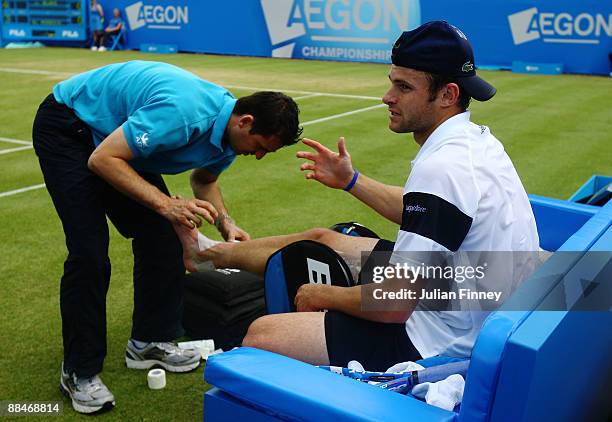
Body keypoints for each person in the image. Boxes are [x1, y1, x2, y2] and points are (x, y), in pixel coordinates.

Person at [188, 21, 539, 371]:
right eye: (392, 83)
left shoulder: (443, 166)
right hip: (471, 294)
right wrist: (350, 180)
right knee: (327, 240)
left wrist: (324, 295)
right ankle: (211, 255)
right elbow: (425, 215)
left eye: (403, 87)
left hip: (444, 338)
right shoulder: (475, 140)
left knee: (261, 335)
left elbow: (394, 305)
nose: (388, 97)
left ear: (448, 95)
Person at [31, 60, 302, 414]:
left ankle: (149, 342)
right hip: (70, 125)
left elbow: (204, 180)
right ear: (245, 121)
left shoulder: (230, 140)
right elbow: (102, 159)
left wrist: (226, 223)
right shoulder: (183, 113)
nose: (260, 155)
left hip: (113, 138)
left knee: (162, 238)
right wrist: (165, 204)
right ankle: (79, 371)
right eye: (261, 145)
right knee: (90, 251)